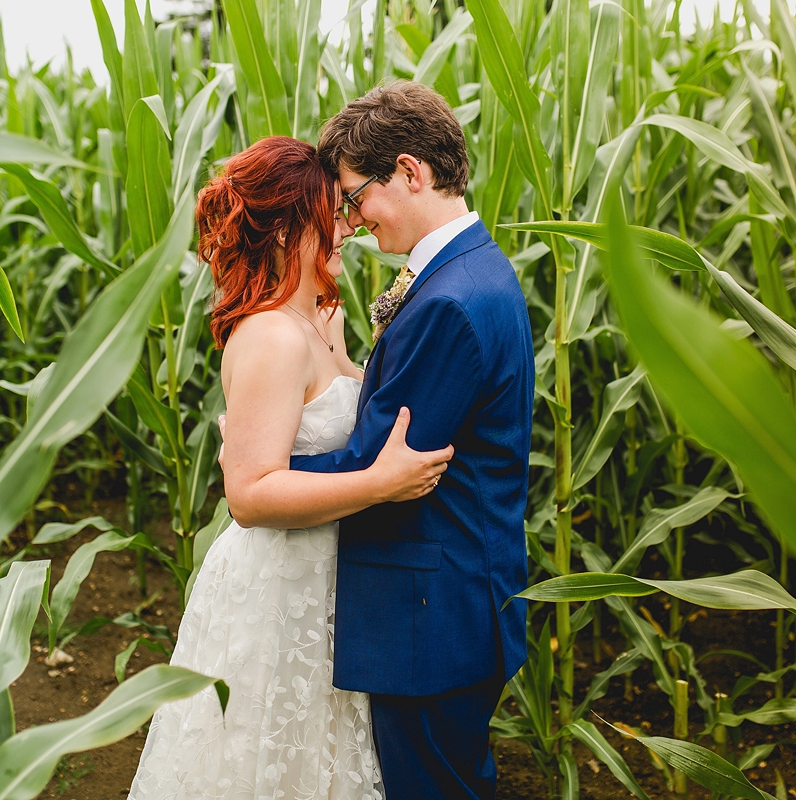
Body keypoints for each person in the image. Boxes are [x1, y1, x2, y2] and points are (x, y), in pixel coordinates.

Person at [128, 135, 453, 800]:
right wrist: (380, 484)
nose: (347, 225)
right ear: (283, 226)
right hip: (278, 588)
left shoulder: (320, 315)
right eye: (331, 212)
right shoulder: (271, 335)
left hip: (328, 581)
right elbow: (248, 494)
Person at [289, 81, 534, 799]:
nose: (355, 220)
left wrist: (266, 470)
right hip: (457, 600)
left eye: (357, 196)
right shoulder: (477, 272)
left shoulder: (448, 303)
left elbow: (380, 462)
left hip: (430, 617)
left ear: (411, 171)